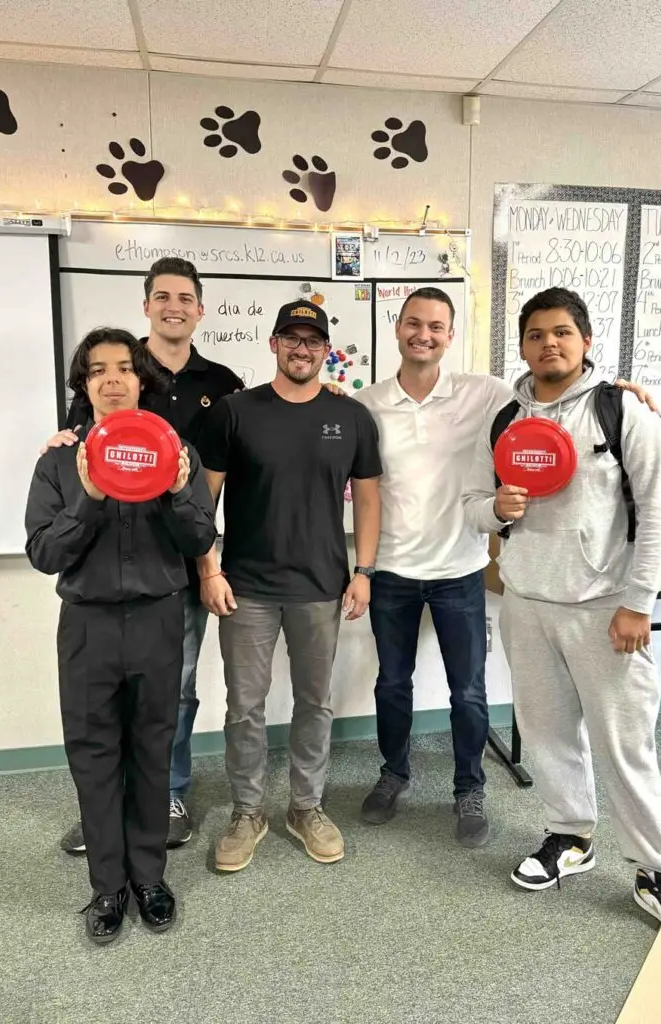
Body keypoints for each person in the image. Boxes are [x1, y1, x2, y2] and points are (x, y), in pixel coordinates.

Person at [354, 287, 659, 849]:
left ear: (450, 335)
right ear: (397, 328)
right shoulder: (366, 403)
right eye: (414, 323)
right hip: (392, 569)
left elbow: (560, 392)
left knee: (468, 692)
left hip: (462, 569)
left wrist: (625, 389)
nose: (424, 334)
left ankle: (469, 787)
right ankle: (393, 773)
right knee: (391, 684)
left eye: (437, 326)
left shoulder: (488, 394)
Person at [462, 287, 661, 922]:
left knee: (624, 741)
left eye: (561, 332)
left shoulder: (622, 412)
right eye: (535, 335)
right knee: (546, 731)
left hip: (604, 607)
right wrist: (493, 509)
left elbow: (660, 511)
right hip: (527, 601)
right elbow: (473, 503)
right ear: (524, 346)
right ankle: (570, 834)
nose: (548, 344)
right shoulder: (505, 418)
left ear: (585, 341)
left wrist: (638, 602)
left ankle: (657, 866)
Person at [46, 257, 245, 853]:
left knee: (175, 689)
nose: (174, 306)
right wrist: (59, 437)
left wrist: (209, 564)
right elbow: (81, 446)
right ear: (147, 306)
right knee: (109, 697)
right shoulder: (118, 367)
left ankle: (168, 793)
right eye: (163, 296)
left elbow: (233, 472)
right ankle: (108, 808)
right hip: (114, 560)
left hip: (188, 547)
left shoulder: (224, 383)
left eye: (185, 297)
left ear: (200, 309)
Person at [25, 328, 217, 943]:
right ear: (84, 385)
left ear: (142, 380)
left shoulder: (175, 450)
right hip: (89, 626)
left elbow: (198, 540)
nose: (112, 380)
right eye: (98, 370)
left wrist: (171, 491)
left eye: (124, 369)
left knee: (152, 751)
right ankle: (107, 888)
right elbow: (44, 553)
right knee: (94, 756)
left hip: (159, 620)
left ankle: (149, 879)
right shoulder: (58, 459)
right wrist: (87, 494)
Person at [195, 300, 382, 871]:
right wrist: (208, 568)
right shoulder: (234, 411)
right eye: (291, 339)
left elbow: (370, 497)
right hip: (245, 588)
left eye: (313, 340)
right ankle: (248, 811)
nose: (302, 349)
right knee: (244, 707)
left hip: (321, 586)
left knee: (314, 703)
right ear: (273, 344)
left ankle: (306, 806)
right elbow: (204, 501)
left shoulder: (351, 417)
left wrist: (364, 571)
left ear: (327, 350)